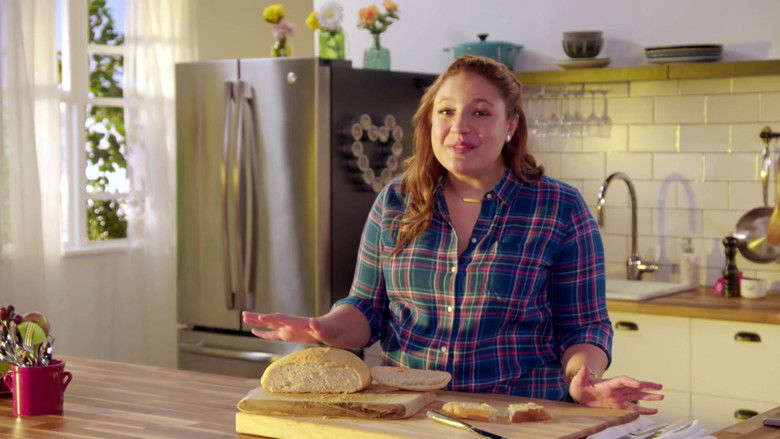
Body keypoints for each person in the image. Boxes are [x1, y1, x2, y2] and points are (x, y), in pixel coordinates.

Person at [243, 55, 663, 413]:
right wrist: (322, 328)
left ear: (511, 125)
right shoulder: (395, 201)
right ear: (430, 121)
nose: (459, 127)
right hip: (412, 414)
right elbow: (367, 308)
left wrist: (583, 377)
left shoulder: (560, 208)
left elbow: (584, 327)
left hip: (519, 416)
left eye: (480, 113)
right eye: (446, 111)